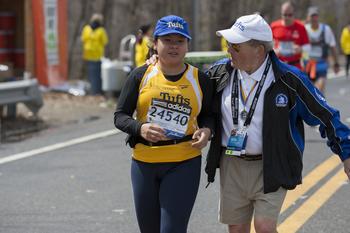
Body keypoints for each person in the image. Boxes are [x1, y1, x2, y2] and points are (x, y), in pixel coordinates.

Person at [205, 13, 350, 233]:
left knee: (264, 227)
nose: (229, 51)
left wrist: (346, 153)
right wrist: (155, 63)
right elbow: (190, 91)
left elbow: (325, 115)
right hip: (231, 164)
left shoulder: (289, 79)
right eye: (228, 45)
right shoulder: (219, 73)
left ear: (259, 50)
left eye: (235, 47)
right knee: (236, 228)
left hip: (272, 163)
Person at [114, 15, 214, 233]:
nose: (174, 46)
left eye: (180, 41)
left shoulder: (200, 79)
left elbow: (209, 115)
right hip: (144, 163)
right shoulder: (140, 75)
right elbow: (120, 116)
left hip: (183, 162)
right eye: (167, 40)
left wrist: (206, 130)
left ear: (188, 45)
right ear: (155, 44)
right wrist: (140, 128)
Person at [303, 6, 339, 94]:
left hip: (321, 64)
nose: (314, 18)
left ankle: (320, 104)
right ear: (308, 17)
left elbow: (333, 47)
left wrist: (336, 63)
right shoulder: (304, 29)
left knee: (319, 90)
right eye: (312, 16)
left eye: (315, 16)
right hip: (307, 64)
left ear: (318, 17)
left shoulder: (326, 29)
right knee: (309, 93)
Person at [271, 1, 309, 70]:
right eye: (284, 15)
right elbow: (269, 45)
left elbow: (308, 47)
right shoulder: (274, 26)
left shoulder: (301, 27)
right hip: (279, 65)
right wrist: (274, 51)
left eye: (290, 15)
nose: (287, 17)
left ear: (294, 14)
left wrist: (300, 49)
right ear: (281, 14)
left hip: (296, 66)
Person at [81, 13, 108, 95]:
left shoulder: (86, 28)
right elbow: (105, 41)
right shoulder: (101, 30)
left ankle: (90, 91)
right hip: (97, 56)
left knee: (89, 74)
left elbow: (83, 39)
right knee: (97, 75)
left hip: (88, 55)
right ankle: (96, 91)